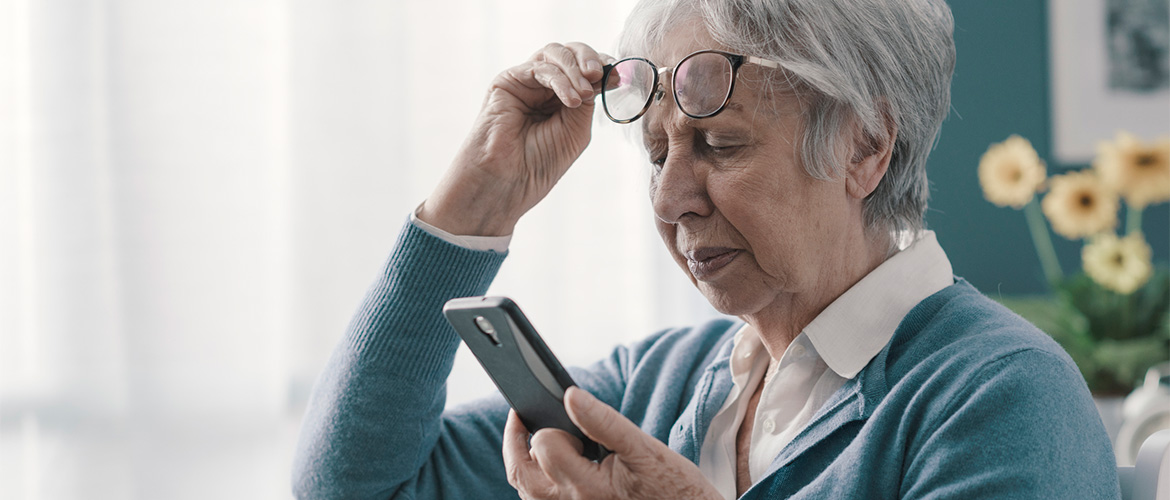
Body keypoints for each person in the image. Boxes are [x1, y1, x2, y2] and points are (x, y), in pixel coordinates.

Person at [292, 0, 1121, 498]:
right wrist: (475, 200)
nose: (667, 197)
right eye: (657, 152)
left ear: (865, 148)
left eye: (720, 145)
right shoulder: (656, 385)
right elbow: (352, 487)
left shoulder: (1002, 398)